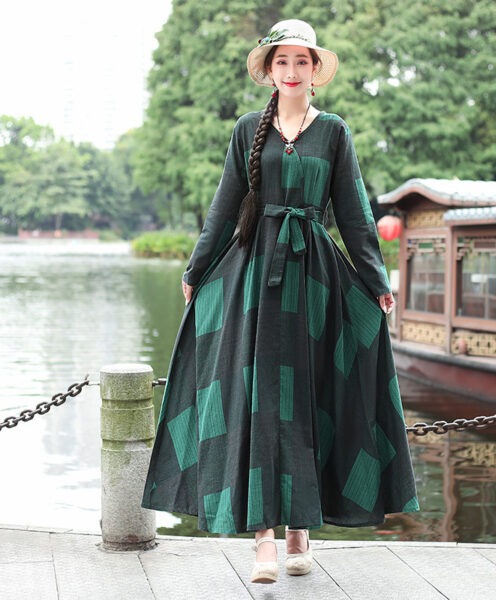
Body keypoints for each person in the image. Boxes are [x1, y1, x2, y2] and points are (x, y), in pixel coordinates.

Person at [142, 19, 419, 584]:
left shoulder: (334, 132)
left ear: (315, 72)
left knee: (310, 397)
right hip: (254, 280)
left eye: (302, 61)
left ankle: (301, 534)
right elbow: (223, 209)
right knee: (259, 399)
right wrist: (197, 270)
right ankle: (264, 541)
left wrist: (377, 282)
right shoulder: (249, 130)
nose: (291, 71)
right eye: (282, 61)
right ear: (269, 71)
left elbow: (355, 217)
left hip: (315, 283)